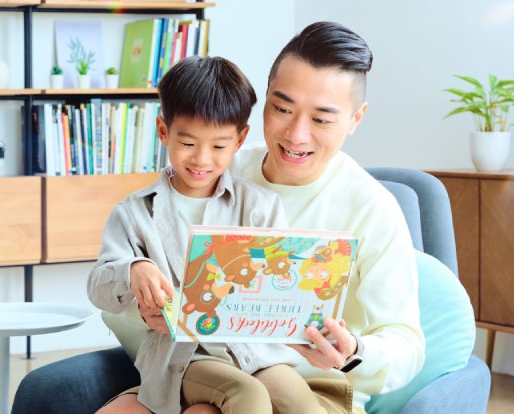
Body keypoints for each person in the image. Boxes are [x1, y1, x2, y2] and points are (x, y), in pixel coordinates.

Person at [135, 22, 426, 414]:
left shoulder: (372, 208)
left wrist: (353, 351)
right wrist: (149, 303)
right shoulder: (215, 168)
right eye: (282, 109)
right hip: (207, 367)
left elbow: (407, 345)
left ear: (355, 119)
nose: (296, 135)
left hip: (314, 387)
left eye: (321, 120)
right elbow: (136, 265)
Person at [87, 56, 331, 414]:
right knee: (247, 394)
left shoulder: (260, 207)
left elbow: (282, 287)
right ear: (163, 131)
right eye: (188, 143)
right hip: (185, 358)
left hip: (256, 353)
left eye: (218, 147)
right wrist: (133, 269)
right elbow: (98, 288)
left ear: (240, 139)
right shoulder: (135, 213)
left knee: (301, 403)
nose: (202, 159)